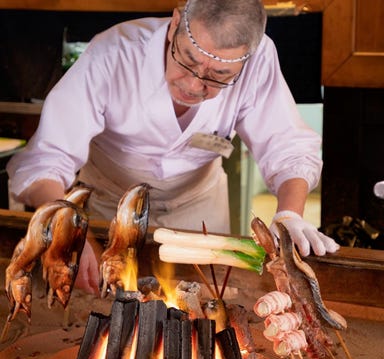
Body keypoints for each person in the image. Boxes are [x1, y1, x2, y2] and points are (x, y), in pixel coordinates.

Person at [6, 0, 339, 294]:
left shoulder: (258, 58)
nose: (194, 85)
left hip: (200, 213)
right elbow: (46, 159)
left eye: (218, 76)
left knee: (203, 315)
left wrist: (288, 214)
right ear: (176, 24)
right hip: (108, 209)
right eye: (187, 60)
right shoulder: (114, 53)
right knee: (98, 316)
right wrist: (67, 229)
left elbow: (287, 147)